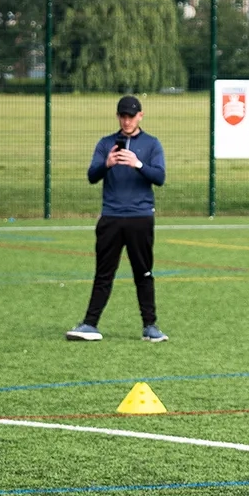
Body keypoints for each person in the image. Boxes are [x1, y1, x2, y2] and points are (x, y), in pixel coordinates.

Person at [66, 95, 168, 342]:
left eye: (131, 116)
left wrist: (138, 164)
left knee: (143, 273)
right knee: (103, 273)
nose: (126, 121)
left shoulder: (152, 144)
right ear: (117, 116)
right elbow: (92, 176)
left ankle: (150, 327)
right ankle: (90, 324)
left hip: (140, 218)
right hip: (111, 217)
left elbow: (160, 177)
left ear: (140, 116)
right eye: (122, 116)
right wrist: (107, 164)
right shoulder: (106, 144)